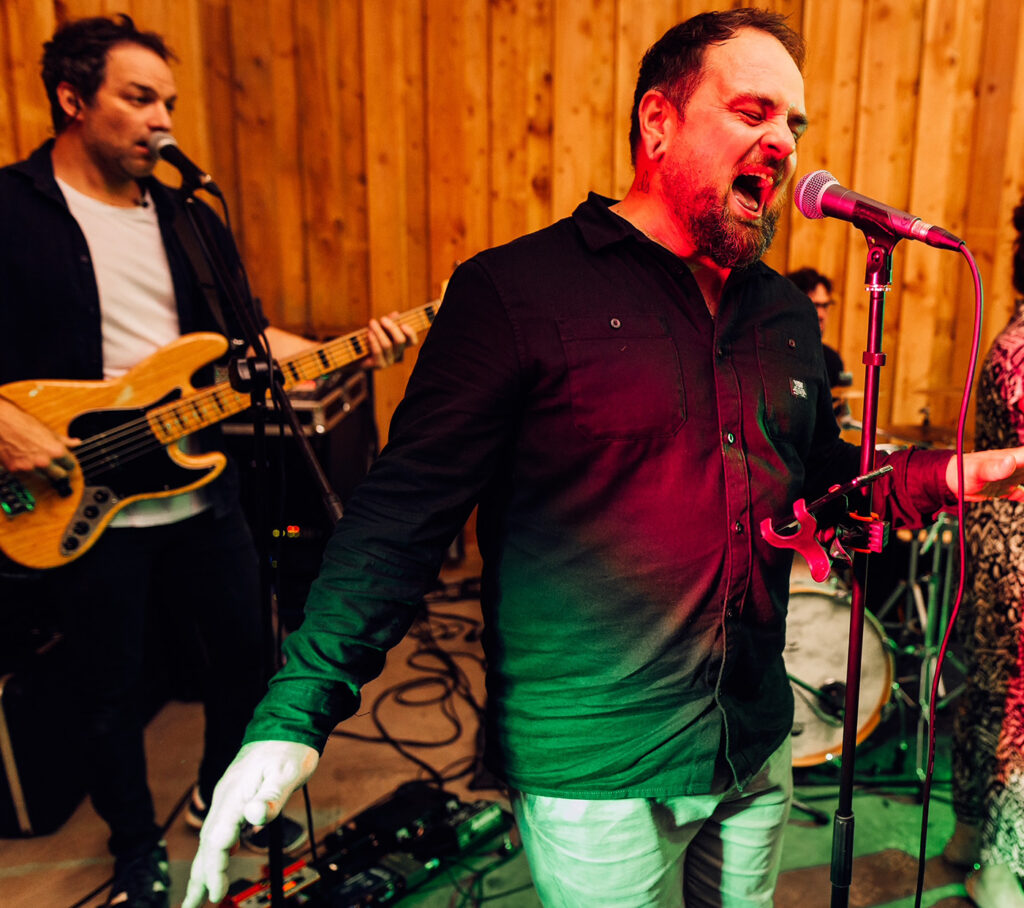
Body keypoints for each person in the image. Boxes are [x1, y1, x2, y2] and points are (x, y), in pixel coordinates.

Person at [184, 10, 1024, 908]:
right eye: (753, 112)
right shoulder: (514, 293)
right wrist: (295, 715)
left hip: (753, 740)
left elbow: (819, 479)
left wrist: (945, 476)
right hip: (598, 767)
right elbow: (398, 521)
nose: (784, 143)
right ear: (658, 122)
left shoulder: (782, 313)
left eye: (794, 123)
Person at [0, 15, 415, 908]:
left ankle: (215, 793)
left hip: (198, 487)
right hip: (77, 500)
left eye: (169, 103)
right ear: (72, 99)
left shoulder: (188, 216)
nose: (163, 121)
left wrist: (356, 346)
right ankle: (135, 849)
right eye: (139, 98)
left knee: (248, 660)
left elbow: (246, 341)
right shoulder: (9, 209)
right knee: (109, 692)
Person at [943, 196, 1024, 907]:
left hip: (1004, 541)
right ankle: (995, 862)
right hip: (1013, 546)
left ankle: (972, 837)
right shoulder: (1020, 348)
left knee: (994, 694)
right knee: (1009, 703)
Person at [787, 266, 852, 423]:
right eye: (815, 305)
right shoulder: (774, 357)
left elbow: (835, 420)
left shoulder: (831, 360)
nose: (821, 315)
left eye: (825, 306)